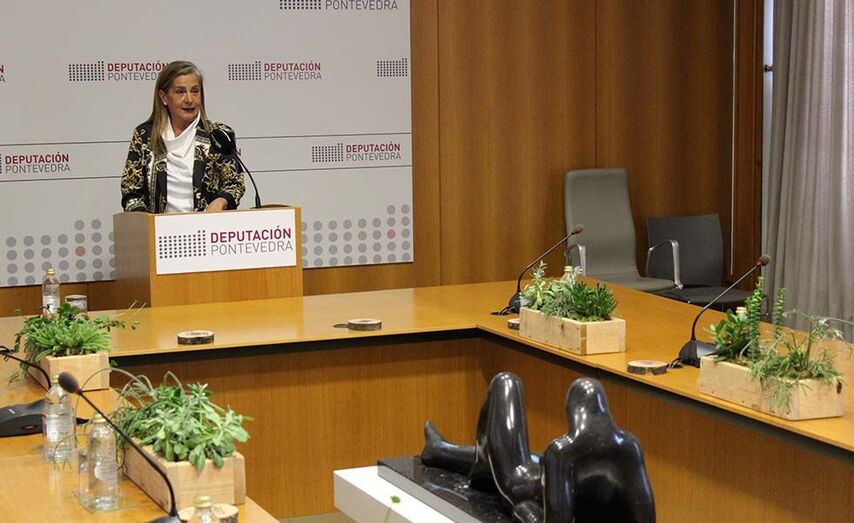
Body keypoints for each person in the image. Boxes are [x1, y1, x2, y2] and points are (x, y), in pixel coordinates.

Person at [421, 373, 656, 523]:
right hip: (539, 473)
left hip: (520, 480)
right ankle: (445, 451)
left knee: (506, 382)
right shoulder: (629, 447)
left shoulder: (563, 451)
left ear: (572, 411)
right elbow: (645, 512)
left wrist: (525, 512)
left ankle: (460, 457)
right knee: (531, 457)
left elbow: (556, 519)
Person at [120, 61, 244, 213]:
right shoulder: (144, 135)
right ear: (164, 97)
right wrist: (145, 220)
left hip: (208, 225)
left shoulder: (219, 135)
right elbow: (131, 189)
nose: (189, 99)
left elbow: (234, 184)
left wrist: (221, 201)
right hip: (158, 226)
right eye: (180, 92)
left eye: (195, 91)